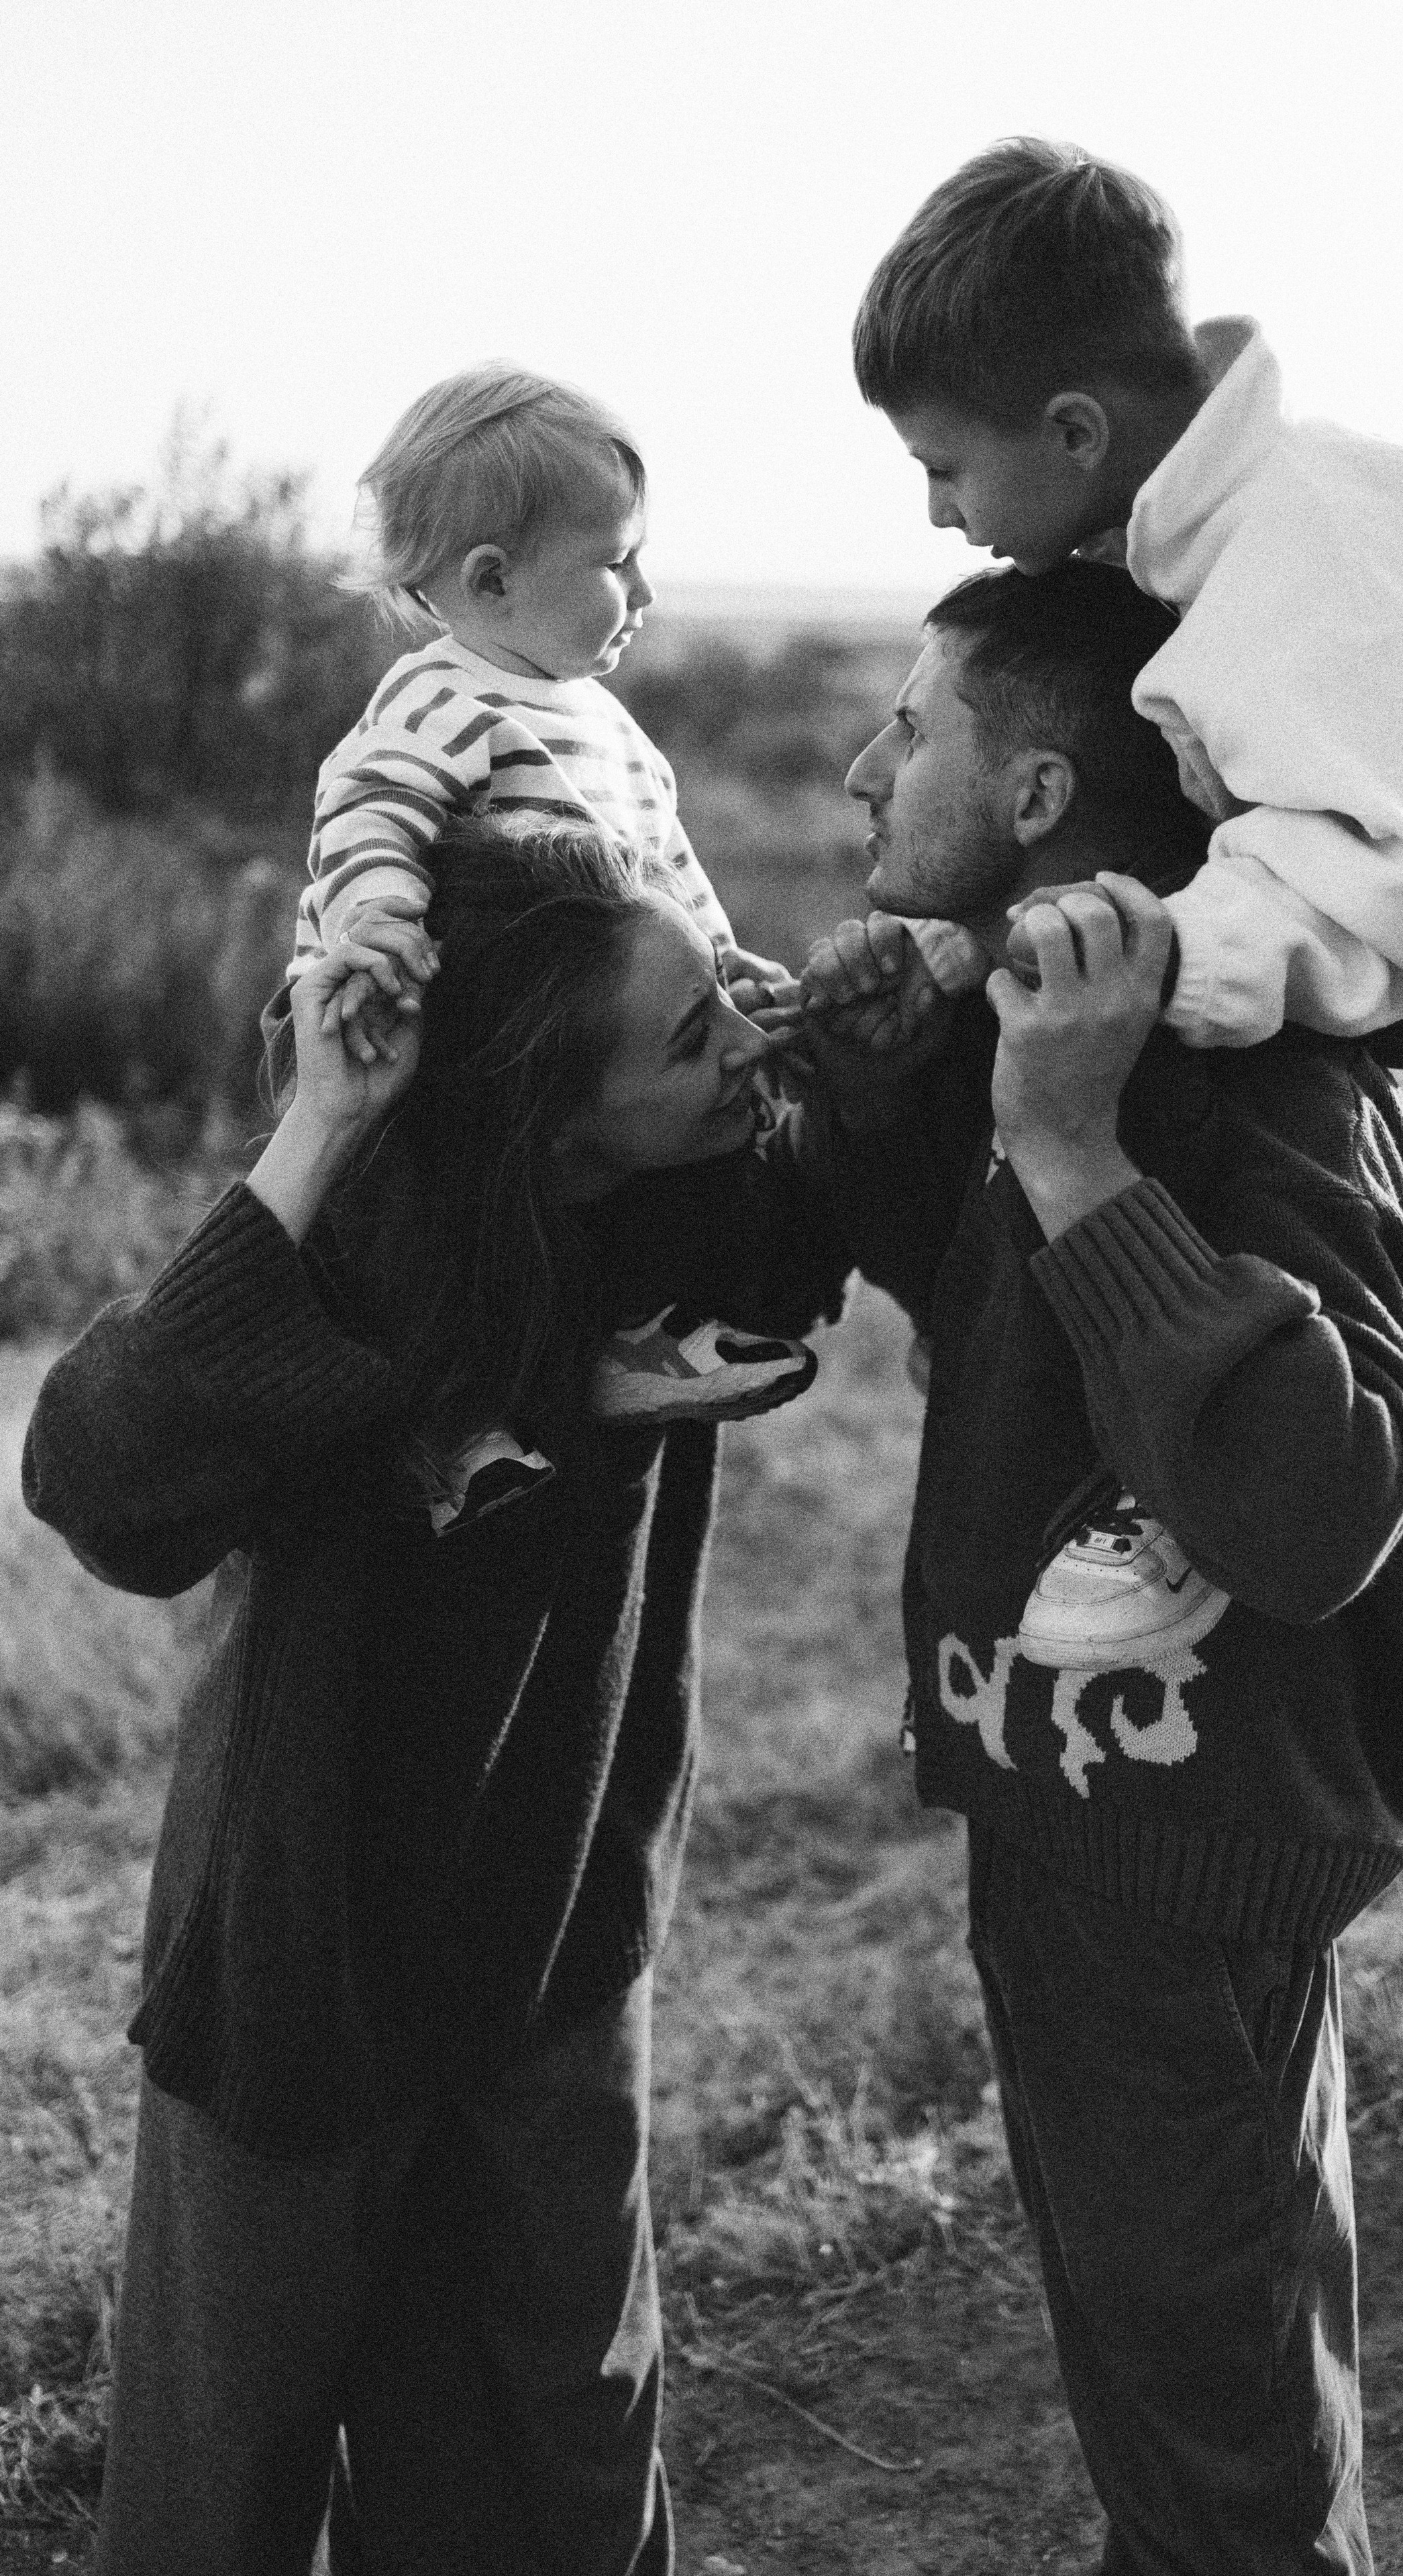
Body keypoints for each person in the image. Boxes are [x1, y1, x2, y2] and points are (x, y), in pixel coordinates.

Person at [22, 817, 850, 2576]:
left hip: (552, 1950)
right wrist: (317, 1129)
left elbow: (833, 1211)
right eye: (694, 1035)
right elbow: (96, 1473)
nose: (738, 1045)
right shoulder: (348, 1280)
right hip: (297, 1977)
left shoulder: (685, 1222)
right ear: (549, 1129)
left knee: (551, 2463)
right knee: (221, 2489)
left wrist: (832, 1023)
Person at [800, 561, 1403, 2573]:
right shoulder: (1067, 1035)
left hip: (1181, 1854)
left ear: (1041, 793)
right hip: (1097, 1827)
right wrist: (891, 1073)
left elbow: (1323, 1506)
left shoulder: (1253, 1088)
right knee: (1195, 2360)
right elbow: (998, 1313)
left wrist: (1076, 1155)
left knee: (1217, 2419)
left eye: (913, 728)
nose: (858, 766)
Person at [850, 136, 1403, 1053]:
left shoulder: (1331, 548)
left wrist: (1146, 958)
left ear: (1075, 432)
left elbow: (1389, 875)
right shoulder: (1176, 524)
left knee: (1107, 1044)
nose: (939, 512)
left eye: (945, 469)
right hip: (1277, 859)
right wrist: (966, 934)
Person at [285, 362, 809, 1424]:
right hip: (411, 1020)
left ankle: (624, 1338)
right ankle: (440, 1422)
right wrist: (378, 914)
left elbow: (660, 871)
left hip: (563, 1036)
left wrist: (718, 970)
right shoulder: (442, 698)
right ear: (490, 583)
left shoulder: (605, 724)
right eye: (619, 561)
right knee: (428, 1239)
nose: (647, 594)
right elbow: (370, 806)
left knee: (652, 1177)